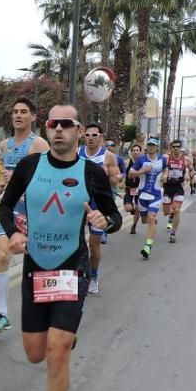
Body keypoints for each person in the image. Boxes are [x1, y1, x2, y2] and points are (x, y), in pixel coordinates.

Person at [0, 104, 122, 391]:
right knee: (35, 354)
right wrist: (14, 233)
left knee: (56, 351)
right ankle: (63, 338)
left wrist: (105, 220)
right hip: (36, 267)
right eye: (53, 123)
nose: (59, 130)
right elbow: (6, 208)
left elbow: (113, 215)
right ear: (47, 128)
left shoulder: (91, 173)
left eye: (67, 124)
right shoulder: (29, 167)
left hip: (72, 268)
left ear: (79, 131)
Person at [0, 97, 49, 332]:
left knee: (39, 262)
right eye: (15, 111)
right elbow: (6, 173)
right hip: (12, 209)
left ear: (33, 117)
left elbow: (46, 179)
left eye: (24, 111)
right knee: (2, 255)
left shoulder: (40, 145)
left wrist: (18, 182)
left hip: (35, 212)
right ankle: (2, 313)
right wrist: (1, 186)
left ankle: (47, 310)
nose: (18, 115)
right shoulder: (5, 145)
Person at [76, 124, 121, 294]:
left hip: (97, 205)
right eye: (87, 135)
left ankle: (93, 276)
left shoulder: (108, 157)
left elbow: (116, 182)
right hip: (78, 202)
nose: (90, 138)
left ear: (100, 137)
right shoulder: (77, 153)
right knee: (74, 242)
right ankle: (76, 275)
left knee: (94, 245)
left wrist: (105, 174)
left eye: (94, 135)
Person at [132, 137, 168, 260]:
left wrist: (164, 176)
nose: (151, 147)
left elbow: (164, 170)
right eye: (149, 145)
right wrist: (142, 171)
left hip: (156, 194)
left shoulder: (162, 159)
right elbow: (131, 174)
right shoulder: (141, 159)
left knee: (151, 217)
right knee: (144, 221)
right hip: (142, 195)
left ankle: (148, 246)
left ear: (157, 147)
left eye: (153, 145)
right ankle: (152, 221)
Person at [162, 139, 189, 243]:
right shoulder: (166, 158)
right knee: (166, 212)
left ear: (180, 148)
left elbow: (192, 169)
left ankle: (173, 233)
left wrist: (189, 174)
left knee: (177, 209)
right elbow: (159, 167)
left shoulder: (186, 159)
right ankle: (170, 214)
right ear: (171, 148)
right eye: (174, 147)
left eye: (178, 147)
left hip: (178, 187)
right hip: (167, 187)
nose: (176, 148)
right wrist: (163, 175)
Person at [123, 143, 143, 234]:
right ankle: (132, 210)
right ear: (131, 152)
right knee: (128, 208)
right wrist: (120, 181)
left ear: (140, 152)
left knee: (138, 207)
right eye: (133, 150)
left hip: (139, 189)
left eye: (137, 150)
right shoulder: (127, 162)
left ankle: (134, 225)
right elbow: (122, 173)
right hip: (129, 188)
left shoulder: (143, 163)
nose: (135, 152)